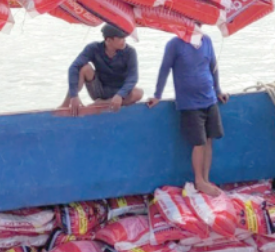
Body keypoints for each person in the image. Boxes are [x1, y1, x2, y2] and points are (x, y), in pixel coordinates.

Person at [148, 35, 228, 196]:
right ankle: (199, 180)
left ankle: (206, 179)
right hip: (190, 104)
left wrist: (218, 90)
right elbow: (165, 68)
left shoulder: (207, 40)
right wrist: (157, 95)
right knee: (198, 142)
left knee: (209, 139)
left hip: (210, 99)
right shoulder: (174, 44)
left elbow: (213, 67)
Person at [62, 23, 142, 116]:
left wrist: (120, 94)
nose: (124, 41)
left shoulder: (130, 52)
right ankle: (66, 105)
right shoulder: (93, 48)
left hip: (119, 92)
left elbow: (133, 77)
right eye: (120, 38)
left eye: (124, 38)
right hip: (99, 89)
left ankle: (101, 104)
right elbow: (74, 67)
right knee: (84, 68)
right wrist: (74, 95)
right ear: (108, 40)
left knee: (138, 93)